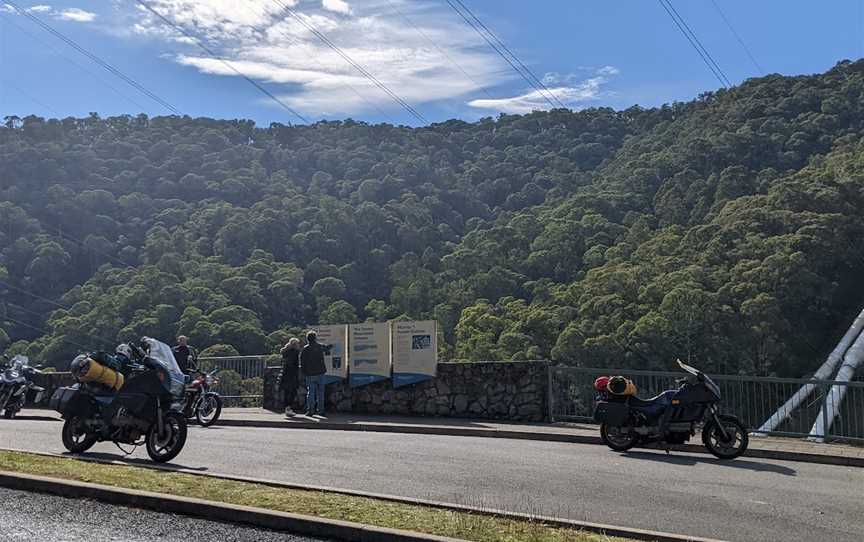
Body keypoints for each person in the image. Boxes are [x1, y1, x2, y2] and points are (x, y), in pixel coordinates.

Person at [299, 330, 326, 416]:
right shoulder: (320, 347)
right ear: (315, 338)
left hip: (310, 373)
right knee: (320, 393)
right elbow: (328, 348)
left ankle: (310, 411)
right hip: (320, 372)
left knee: (311, 392)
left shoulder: (305, 349)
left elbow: (302, 362)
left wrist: (304, 372)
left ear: (307, 339)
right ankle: (321, 411)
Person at [279, 338, 301, 417]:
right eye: (298, 344)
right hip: (291, 375)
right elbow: (293, 364)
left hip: (285, 374)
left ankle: (287, 408)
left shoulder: (285, 352)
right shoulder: (294, 352)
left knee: (286, 392)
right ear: (295, 345)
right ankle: (288, 409)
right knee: (292, 392)